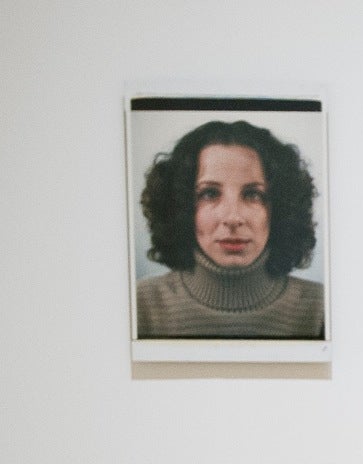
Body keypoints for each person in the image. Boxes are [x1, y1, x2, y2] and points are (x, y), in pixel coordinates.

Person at [136, 120, 323, 339]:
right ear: (180, 206)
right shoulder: (140, 306)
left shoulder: (320, 311)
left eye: (253, 194)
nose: (233, 218)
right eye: (210, 194)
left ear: (282, 209)